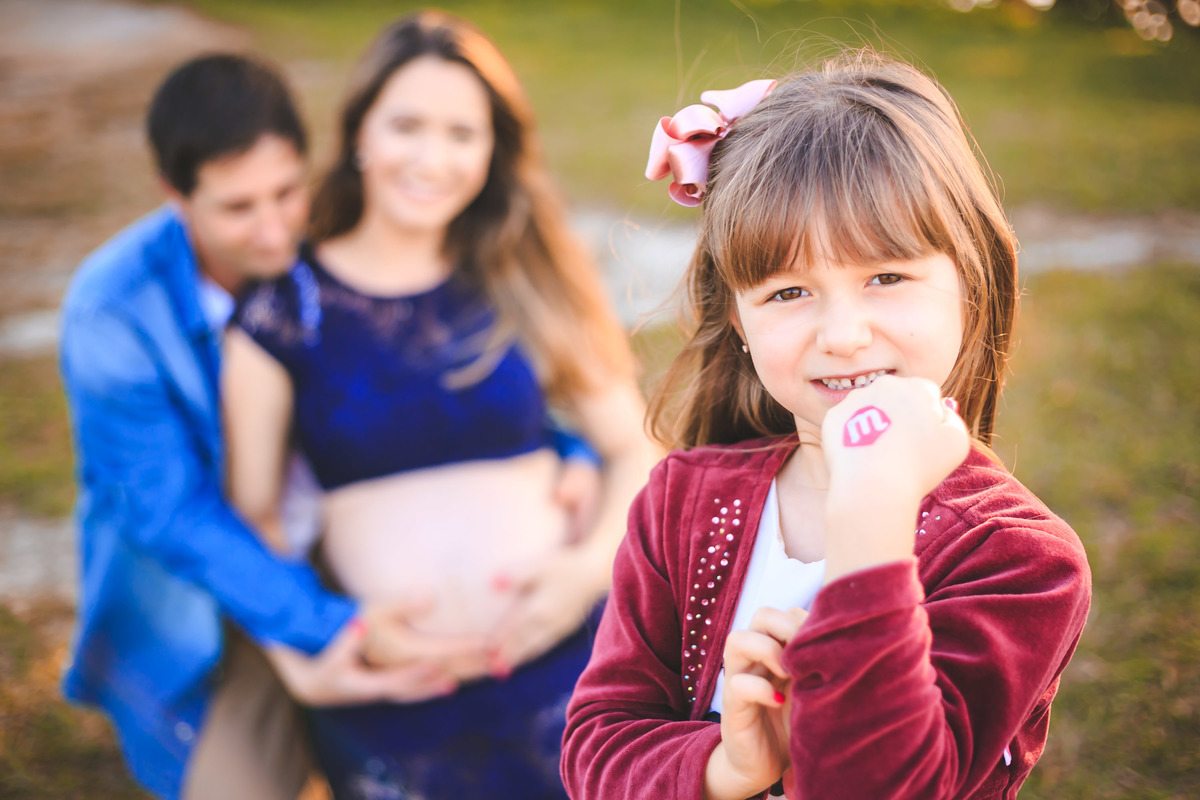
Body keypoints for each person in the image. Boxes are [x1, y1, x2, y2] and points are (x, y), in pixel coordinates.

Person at [562, 53, 1092, 800]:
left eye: (886, 277)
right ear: (738, 319)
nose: (843, 334)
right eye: (788, 292)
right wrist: (729, 768)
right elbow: (600, 748)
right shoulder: (680, 502)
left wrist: (868, 513)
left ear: (970, 282)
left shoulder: (1018, 560)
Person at [57, 53, 550, 800]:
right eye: (237, 208)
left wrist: (568, 453)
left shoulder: (328, 242)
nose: (273, 229)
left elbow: (434, 387)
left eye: (286, 192)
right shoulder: (112, 312)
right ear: (174, 197)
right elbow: (173, 513)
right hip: (210, 595)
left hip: (326, 550)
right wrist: (323, 630)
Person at [221, 11, 658, 800]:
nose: (433, 157)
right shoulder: (285, 311)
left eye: (463, 133)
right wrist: (307, 663)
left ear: (493, 152)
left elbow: (632, 447)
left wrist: (585, 575)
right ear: (359, 133)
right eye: (408, 126)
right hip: (398, 702)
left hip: (574, 666)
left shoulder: (523, 274)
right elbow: (252, 520)